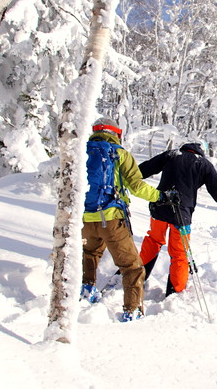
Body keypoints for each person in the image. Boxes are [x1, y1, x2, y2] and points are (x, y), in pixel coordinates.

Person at [138, 143, 217, 297]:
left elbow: (143, 170)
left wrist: (121, 176)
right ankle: (175, 292)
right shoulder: (204, 164)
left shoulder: (171, 154)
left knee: (153, 241)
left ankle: (135, 277)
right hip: (181, 214)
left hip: (159, 207)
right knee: (179, 253)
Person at [81, 117, 161, 322]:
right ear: (116, 133)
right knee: (132, 266)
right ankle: (132, 310)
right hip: (112, 219)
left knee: (89, 253)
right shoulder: (120, 154)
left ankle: (85, 292)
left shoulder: (81, 151)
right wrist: (160, 196)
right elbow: (136, 186)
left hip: (85, 219)